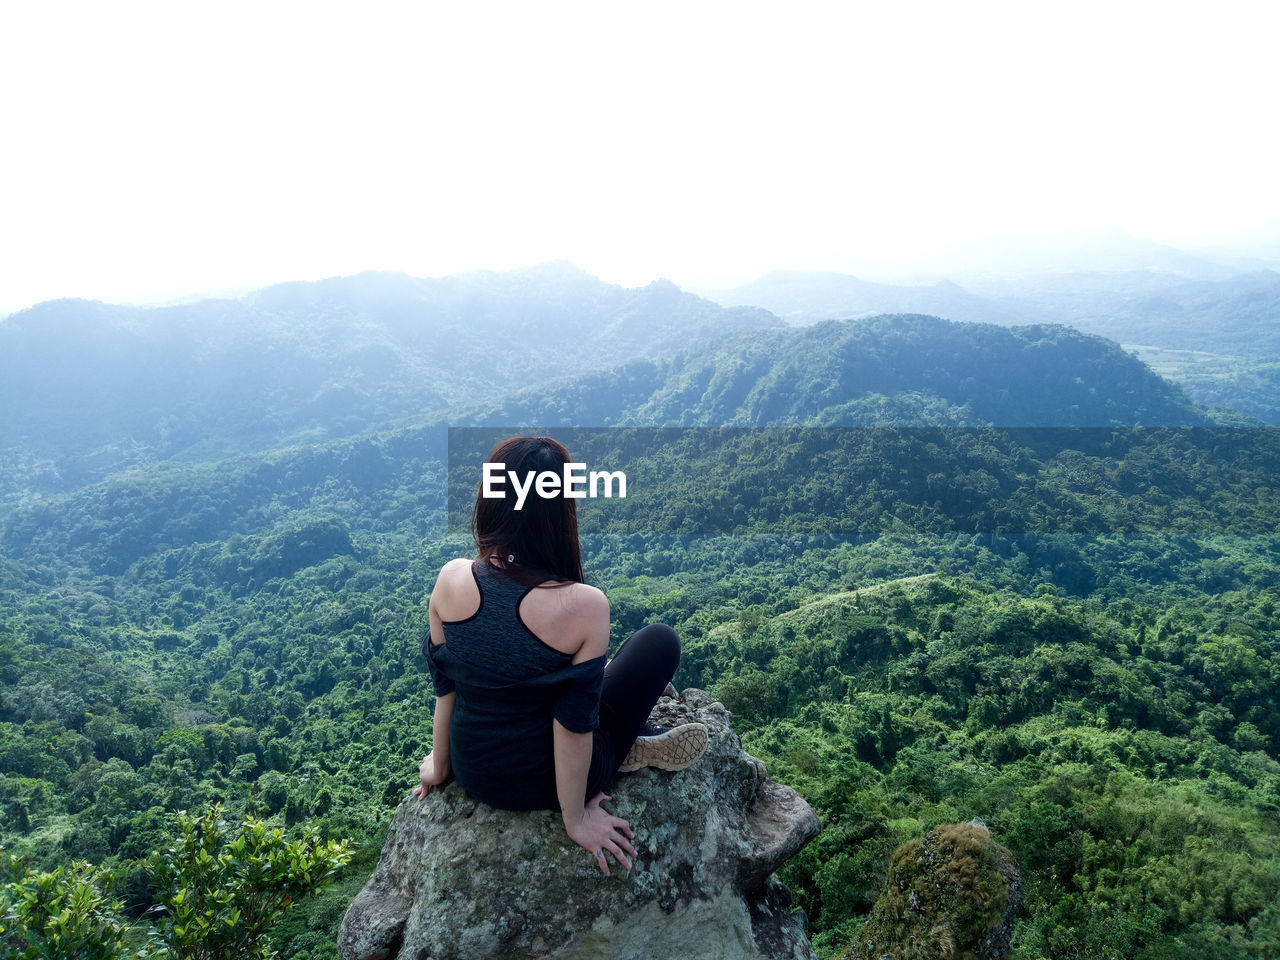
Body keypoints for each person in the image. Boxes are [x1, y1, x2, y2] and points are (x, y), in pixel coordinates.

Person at [412, 436, 708, 876]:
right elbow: (571, 728)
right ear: (557, 513)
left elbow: (446, 687)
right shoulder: (584, 605)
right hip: (551, 781)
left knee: (585, 679)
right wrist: (577, 818)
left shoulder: (449, 578)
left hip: (474, 771)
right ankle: (630, 742)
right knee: (658, 642)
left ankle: (594, 691)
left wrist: (440, 766)